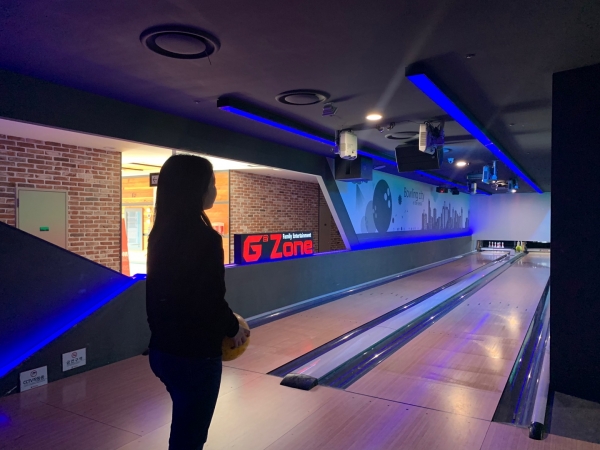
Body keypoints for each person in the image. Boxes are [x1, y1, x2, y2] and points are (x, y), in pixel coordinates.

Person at [146, 154, 250, 450]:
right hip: (196, 357)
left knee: (184, 428)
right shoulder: (205, 238)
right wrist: (233, 329)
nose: (215, 190)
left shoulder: (159, 234)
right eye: (212, 183)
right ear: (197, 188)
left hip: (162, 351)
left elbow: (166, 295)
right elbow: (208, 299)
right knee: (190, 438)